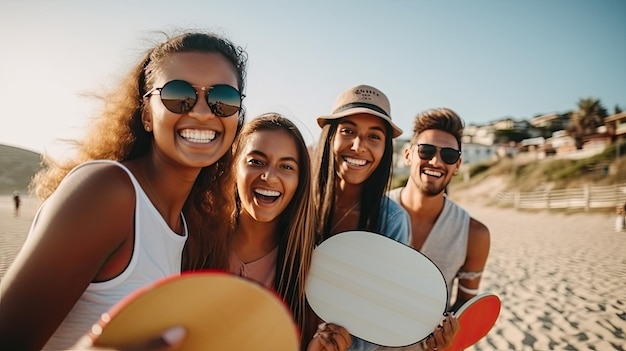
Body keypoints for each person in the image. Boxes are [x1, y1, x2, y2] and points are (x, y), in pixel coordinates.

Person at [0, 31, 247, 351]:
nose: (202, 111)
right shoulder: (108, 192)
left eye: (223, 99)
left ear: (237, 118)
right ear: (146, 114)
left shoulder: (187, 226)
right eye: (178, 94)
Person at [311, 85, 457, 351]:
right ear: (330, 136)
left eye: (374, 136)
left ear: (385, 149)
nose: (358, 146)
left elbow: (377, 318)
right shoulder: (296, 202)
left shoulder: (391, 221)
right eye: (348, 131)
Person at [228, 113, 351, 351]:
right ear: (234, 165)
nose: (270, 177)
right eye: (256, 161)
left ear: (299, 180)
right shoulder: (194, 240)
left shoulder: (310, 271)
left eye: (286, 166)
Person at [387, 107, 491, 315]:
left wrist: (449, 336)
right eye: (426, 150)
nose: (436, 161)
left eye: (449, 155)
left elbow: (464, 306)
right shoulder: (372, 211)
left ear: (458, 165)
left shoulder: (474, 234)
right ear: (408, 155)